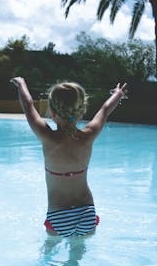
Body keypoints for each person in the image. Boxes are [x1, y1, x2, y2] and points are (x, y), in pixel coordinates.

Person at [10, 77, 127, 237]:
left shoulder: (48, 137)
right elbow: (105, 109)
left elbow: (28, 105)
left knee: (49, 255)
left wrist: (21, 84)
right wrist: (118, 94)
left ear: (53, 112)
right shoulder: (88, 135)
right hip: (87, 213)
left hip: (58, 215)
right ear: (81, 110)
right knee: (76, 257)